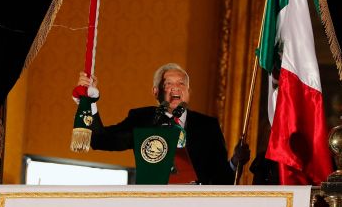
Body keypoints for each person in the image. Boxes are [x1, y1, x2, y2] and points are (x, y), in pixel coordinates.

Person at [76, 63, 250, 184]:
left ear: (188, 92)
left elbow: (221, 179)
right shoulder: (142, 118)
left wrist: (235, 161)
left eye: (182, 84)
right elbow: (101, 140)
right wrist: (89, 102)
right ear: (155, 91)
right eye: (169, 84)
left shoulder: (208, 126)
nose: (176, 88)